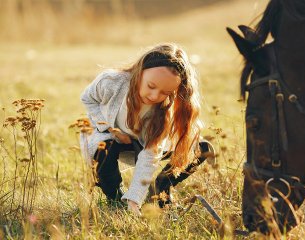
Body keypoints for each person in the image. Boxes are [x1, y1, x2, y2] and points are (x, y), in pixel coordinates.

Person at [79, 43, 215, 215]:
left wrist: (134, 199)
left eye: (165, 92)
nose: (154, 96)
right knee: (103, 151)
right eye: (151, 86)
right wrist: (108, 129)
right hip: (110, 139)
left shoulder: (163, 112)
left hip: (142, 145)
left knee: (199, 150)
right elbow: (88, 98)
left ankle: (161, 187)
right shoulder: (111, 82)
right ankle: (115, 198)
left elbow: (149, 157)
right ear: (140, 70)